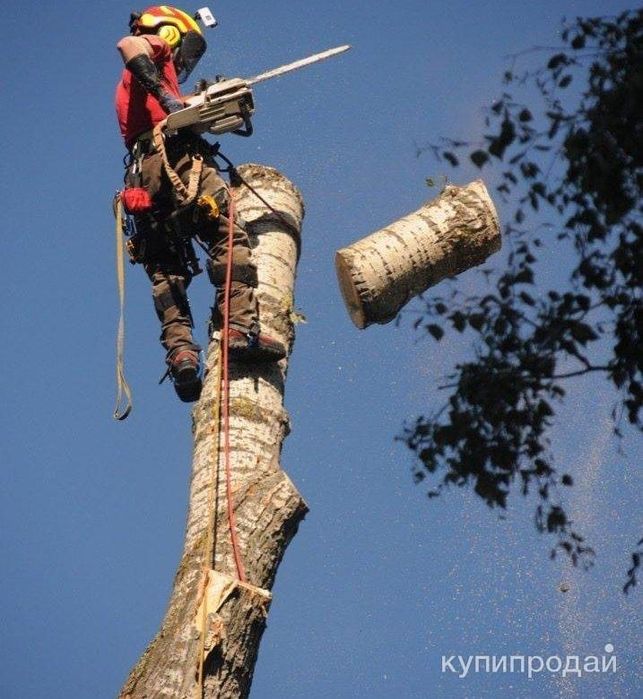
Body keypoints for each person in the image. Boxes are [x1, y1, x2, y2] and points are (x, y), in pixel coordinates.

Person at [115, 6, 286, 402]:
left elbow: (174, 112)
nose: (182, 62)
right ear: (171, 33)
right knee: (227, 233)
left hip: (142, 177)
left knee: (167, 268)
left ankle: (182, 355)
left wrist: (204, 101)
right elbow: (128, 45)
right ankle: (239, 326)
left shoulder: (137, 94)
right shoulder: (152, 48)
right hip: (176, 159)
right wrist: (167, 95)